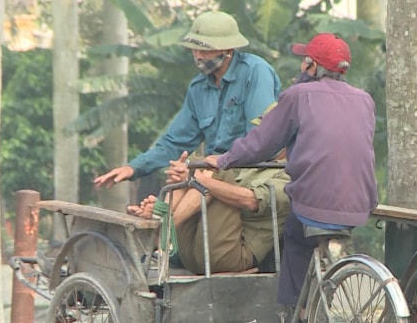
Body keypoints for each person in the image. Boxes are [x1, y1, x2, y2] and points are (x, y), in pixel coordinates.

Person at [205, 33, 378, 306]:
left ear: (311, 66)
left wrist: (224, 159)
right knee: (312, 236)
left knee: (293, 239)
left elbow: (262, 143)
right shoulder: (365, 99)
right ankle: (320, 310)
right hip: (359, 206)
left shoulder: (298, 95)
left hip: (313, 206)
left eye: (304, 62)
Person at [93, 11, 281, 190]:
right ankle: (160, 220)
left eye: (205, 50)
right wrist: (133, 168)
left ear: (228, 50)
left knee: (198, 180)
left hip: (249, 171)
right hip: (214, 170)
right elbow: (174, 142)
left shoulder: (255, 72)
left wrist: (218, 163)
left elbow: (259, 141)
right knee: (175, 184)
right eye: (195, 50)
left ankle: (165, 218)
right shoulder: (198, 88)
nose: (199, 56)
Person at [129, 154, 290, 274]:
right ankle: (162, 215)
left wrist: (197, 178)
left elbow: (251, 201)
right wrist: (191, 172)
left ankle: (167, 227)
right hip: (193, 252)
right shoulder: (251, 164)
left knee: (218, 170)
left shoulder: (289, 174)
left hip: (228, 256)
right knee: (198, 162)